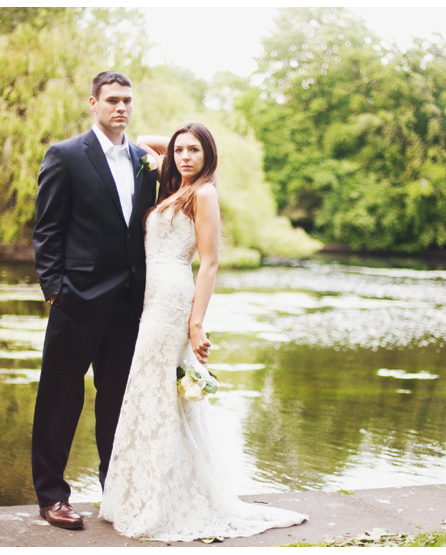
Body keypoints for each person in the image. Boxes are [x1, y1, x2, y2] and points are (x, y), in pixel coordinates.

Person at [99, 122, 308, 541]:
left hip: (173, 299)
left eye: (195, 150)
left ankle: (165, 503)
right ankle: (140, 494)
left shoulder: (204, 193)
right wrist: (177, 141)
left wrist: (196, 323)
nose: (185, 157)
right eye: (180, 151)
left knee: (156, 391)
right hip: (149, 297)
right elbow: (143, 142)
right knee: (147, 391)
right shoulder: (173, 186)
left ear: (209, 155)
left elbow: (209, 261)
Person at [31, 71, 159, 529]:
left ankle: (116, 491)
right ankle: (52, 497)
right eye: (111, 100)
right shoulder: (66, 155)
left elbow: (191, 154)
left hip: (129, 304)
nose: (120, 108)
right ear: (93, 103)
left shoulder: (147, 159)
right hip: (77, 300)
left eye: (127, 100)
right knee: (59, 399)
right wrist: (55, 291)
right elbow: (47, 231)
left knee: (118, 404)